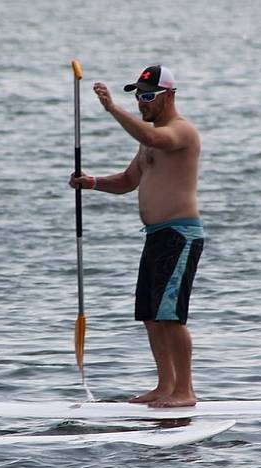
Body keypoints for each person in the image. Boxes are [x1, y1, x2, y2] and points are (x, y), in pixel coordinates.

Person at [69, 65, 204, 408]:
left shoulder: (180, 132)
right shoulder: (149, 142)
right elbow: (129, 181)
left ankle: (185, 391)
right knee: (150, 314)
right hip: (155, 235)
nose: (142, 103)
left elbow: (153, 138)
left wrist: (113, 108)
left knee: (170, 316)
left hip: (180, 235)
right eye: (139, 97)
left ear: (168, 95)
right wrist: (93, 182)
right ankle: (165, 386)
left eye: (148, 97)